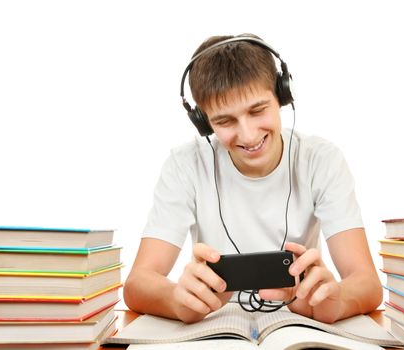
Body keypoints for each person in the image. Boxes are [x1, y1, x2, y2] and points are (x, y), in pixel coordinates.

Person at [123, 33, 382, 324]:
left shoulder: (321, 160)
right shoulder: (185, 165)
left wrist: (335, 302)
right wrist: (176, 301)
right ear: (203, 122)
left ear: (282, 95)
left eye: (257, 110)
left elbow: (368, 284)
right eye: (224, 121)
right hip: (216, 327)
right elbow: (137, 285)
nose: (247, 135)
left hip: (298, 323)